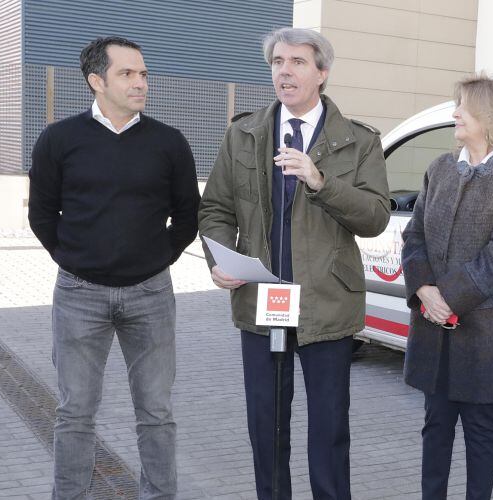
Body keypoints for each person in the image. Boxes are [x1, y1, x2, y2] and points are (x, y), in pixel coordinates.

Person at [197, 28, 390, 499]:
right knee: (266, 427)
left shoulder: (358, 141)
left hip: (327, 304)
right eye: (277, 62)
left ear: (322, 72)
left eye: (298, 62)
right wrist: (218, 259)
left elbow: (375, 217)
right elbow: (215, 209)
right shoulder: (242, 134)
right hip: (261, 301)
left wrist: (322, 181)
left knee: (328, 430)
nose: (284, 71)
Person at [27, 36, 200, 499]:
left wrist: (158, 257)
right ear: (96, 81)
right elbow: (42, 214)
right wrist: (73, 259)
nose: (141, 82)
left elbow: (188, 215)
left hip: (151, 295)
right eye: (128, 73)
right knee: (75, 411)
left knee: (157, 412)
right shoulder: (59, 139)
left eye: (143, 73)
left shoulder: (169, 142)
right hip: (79, 296)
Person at [401, 74, 493, 500]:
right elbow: (414, 235)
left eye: (464, 106)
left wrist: (446, 298)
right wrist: (424, 288)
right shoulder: (440, 168)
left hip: (487, 331)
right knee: (435, 424)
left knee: (481, 429)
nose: (455, 113)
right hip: (433, 322)